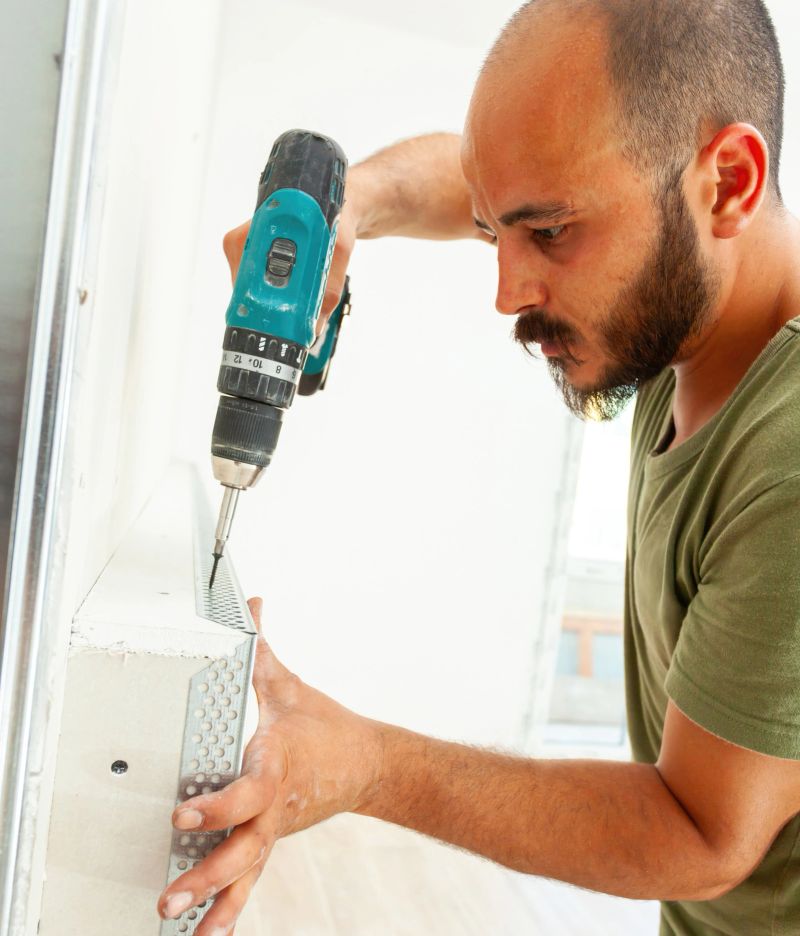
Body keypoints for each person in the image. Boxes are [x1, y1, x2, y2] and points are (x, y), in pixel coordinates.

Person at [159, 0, 800, 933]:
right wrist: (356, 205)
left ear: (729, 182)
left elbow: (701, 836)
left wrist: (361, 764)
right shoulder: (691, 307)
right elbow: (479, 181)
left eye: (548, 234)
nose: (507, 292)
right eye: (495, 230)